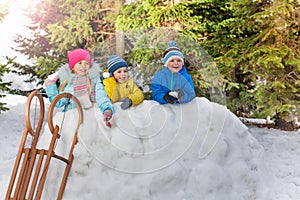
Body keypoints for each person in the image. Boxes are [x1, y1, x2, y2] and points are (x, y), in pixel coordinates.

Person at [43, 48, 114, 128]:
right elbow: (59, 102)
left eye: (86, 63)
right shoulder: (70, 82)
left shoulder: (94, 80)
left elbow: (101, 96)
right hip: (72, 116)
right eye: (80, 63)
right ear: (73, 66)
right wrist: (51, 87)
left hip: (90, 114)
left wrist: (106, 109)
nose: (83, 66)